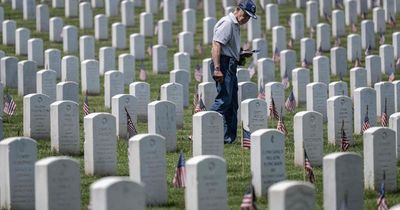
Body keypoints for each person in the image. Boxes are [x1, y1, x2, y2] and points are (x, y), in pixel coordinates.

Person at [209, 0, 257, 144]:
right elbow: (217, 45)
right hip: (223, 64)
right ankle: (201, 130)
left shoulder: (235, 25)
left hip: (229, 64)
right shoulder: (228, 23)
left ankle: (227, 137)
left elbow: (228, 48)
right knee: (223, 100)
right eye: (246, 15)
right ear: (238, 9)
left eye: (249, 17)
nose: (247, 19)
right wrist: (217, 69)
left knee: (232, 103)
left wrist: (241, 53)